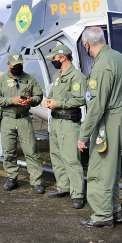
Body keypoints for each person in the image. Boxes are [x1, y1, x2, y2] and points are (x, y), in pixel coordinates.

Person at [77, 27, 122, 228]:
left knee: (99, 169)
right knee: (111, 168)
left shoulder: (101, 65)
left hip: (108, 120)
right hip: (120, 118)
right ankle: (115, 210)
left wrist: (83, 135)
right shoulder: (118, 57)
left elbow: (97, 105)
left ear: (86, 44)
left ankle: (102, 215)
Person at [0, 50, 45, 194]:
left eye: (20, 64)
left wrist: (31, 100)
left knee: (31, 151)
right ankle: (12, 177)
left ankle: (36, 181)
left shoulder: (30, 79)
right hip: (7, 119)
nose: (17, 67)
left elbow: (39, 95)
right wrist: (11, 100)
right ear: (8, 64)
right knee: (9, 151)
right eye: (14, 65)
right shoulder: (1, 81)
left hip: (24, 118)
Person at [41, 44, 86, 208]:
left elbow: (80, 99)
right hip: (56, 122)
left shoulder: (77, 77)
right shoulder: (58, 77)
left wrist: (58, 103)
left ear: (63, 57)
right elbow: (52, 95)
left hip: (68, 123)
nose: (53, 61)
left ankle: (78, 193)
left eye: (54, 58)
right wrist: (49, 101)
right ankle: (63, 187)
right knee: (57, 156)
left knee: (71, 159)